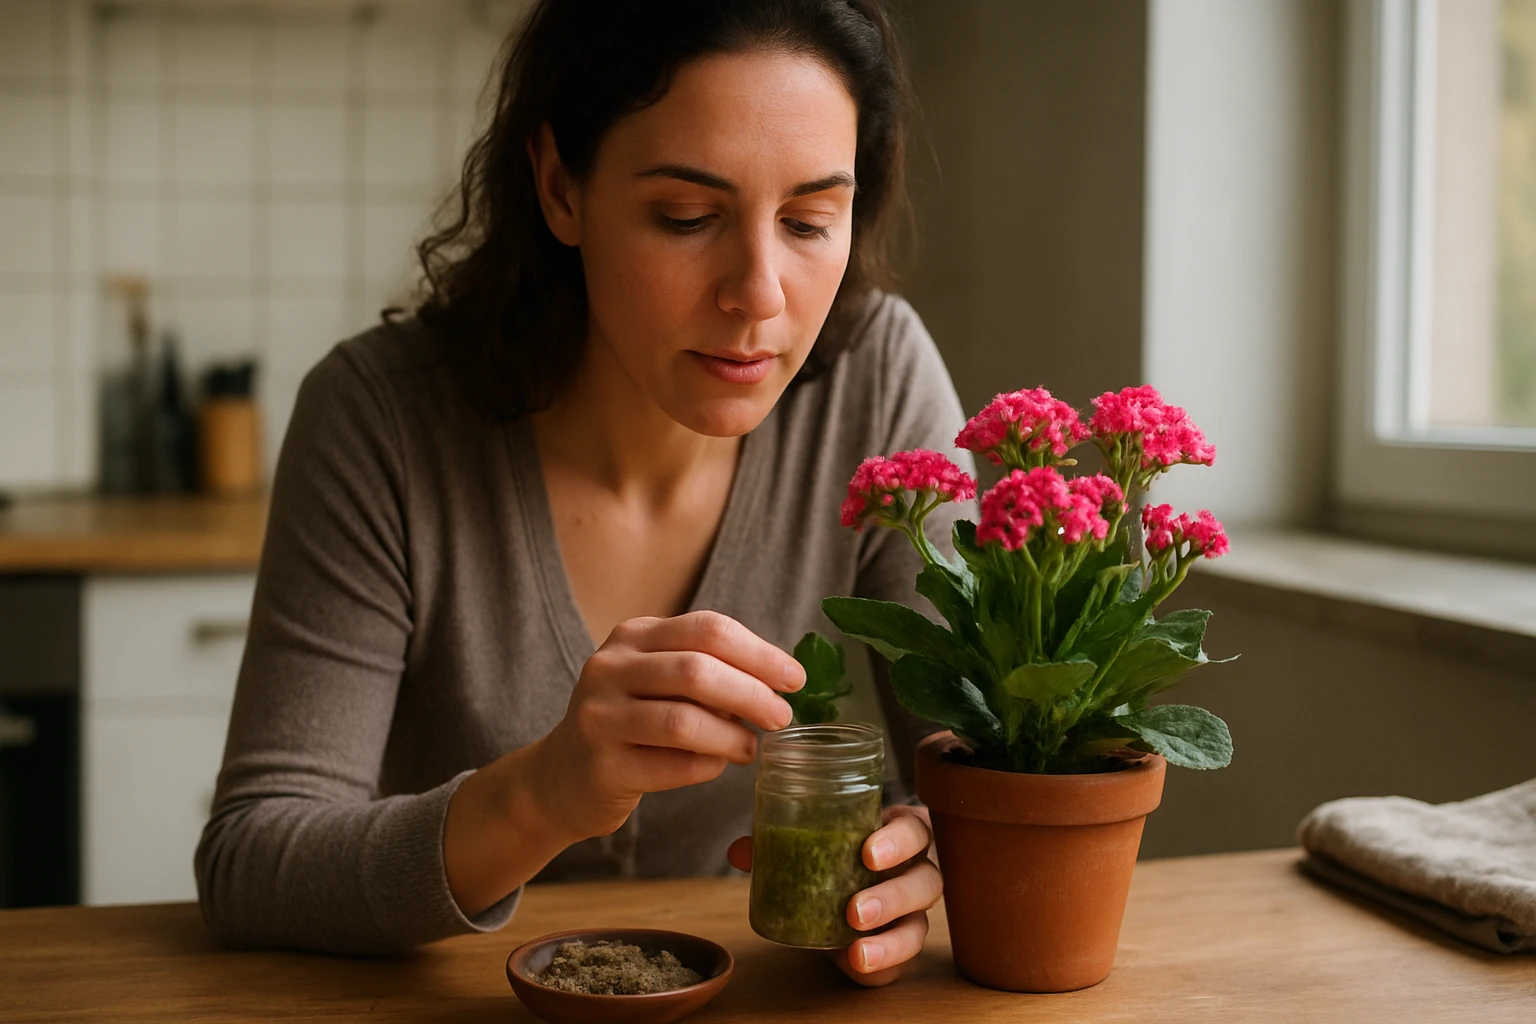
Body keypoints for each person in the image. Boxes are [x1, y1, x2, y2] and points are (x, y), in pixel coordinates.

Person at [195, 0, 973, 987]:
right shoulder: (379, 420)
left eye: (811, 221)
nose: (762, 294)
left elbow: (979, 756)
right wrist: (544, 792)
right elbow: (251, 862)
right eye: (687, 218)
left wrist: (933, 858)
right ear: (560, 186)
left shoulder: (878, 378)